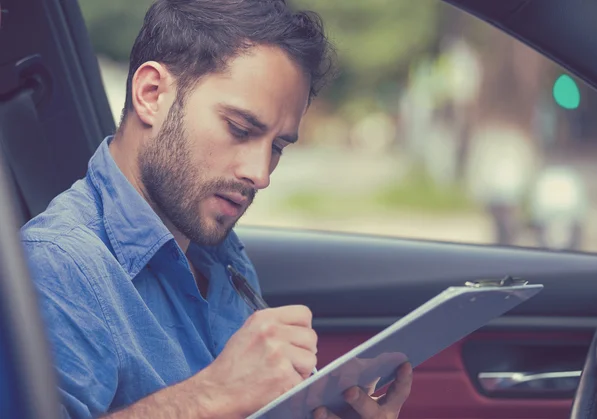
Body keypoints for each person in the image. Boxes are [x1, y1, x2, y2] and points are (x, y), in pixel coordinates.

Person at [21, 0, 413, 418]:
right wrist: (210, 396)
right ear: (151, 94)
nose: (261, 174)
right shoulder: (58, 267)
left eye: (277, 147)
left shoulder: (221, 253)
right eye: (240, 129)